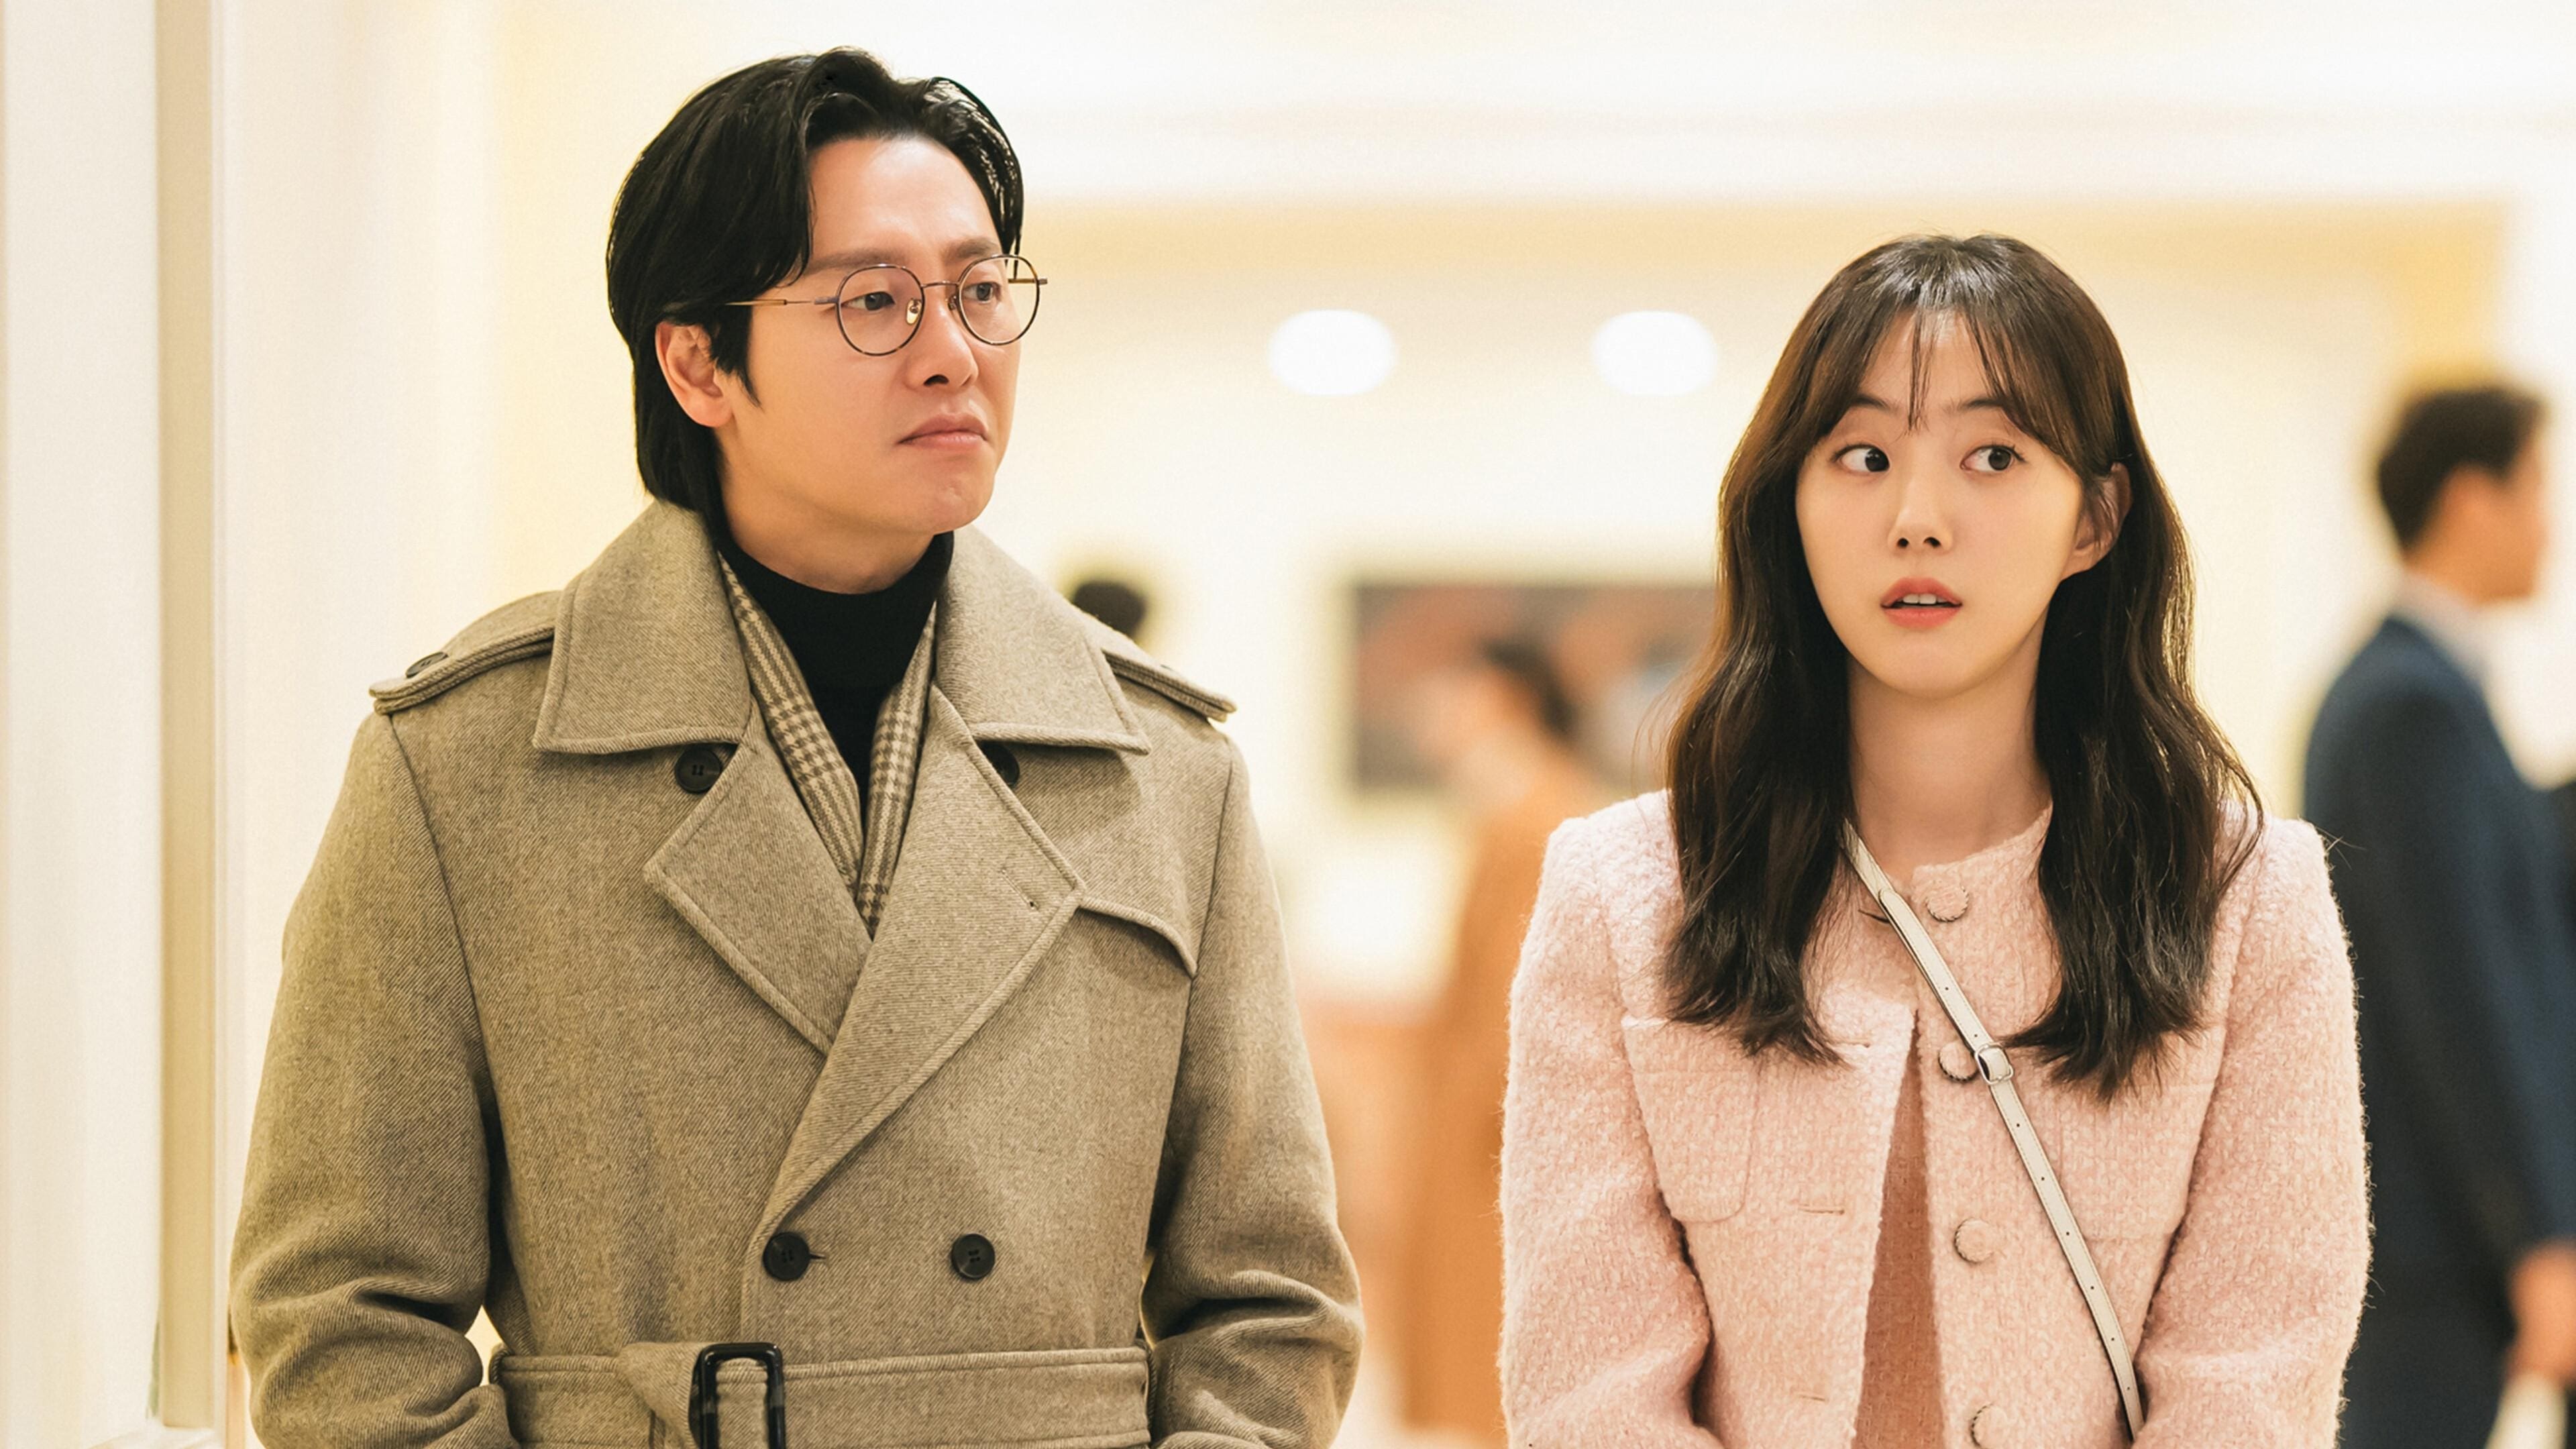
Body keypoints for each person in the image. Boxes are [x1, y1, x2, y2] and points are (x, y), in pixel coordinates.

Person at [229, 50, 1361, 1448]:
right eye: (874, 301)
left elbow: (1271, 1303)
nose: (952, 351)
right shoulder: (468, 766)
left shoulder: (1163, 769)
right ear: (699, 362)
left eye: (981, 291)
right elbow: (340, 1315)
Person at [1501, 234, 2368, 1446]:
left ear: (2096, 519)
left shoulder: (2247, 898)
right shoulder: (1624, 895)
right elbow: (1588, 1390)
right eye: (1861, 457)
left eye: (1993, 457)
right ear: (1789, 504)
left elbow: (2252, 1379)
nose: (1917, 519)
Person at [2304, 385, 2576, 1449]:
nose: (2550, 523)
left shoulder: (2428, 693)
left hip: (2443, 1236)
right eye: (2536, 487)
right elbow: (2464, 995)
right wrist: (2538, 1236)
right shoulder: (2409, 706)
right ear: (2472, 500)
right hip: (2434, 1245)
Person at [1399, 639, 1602, 1445]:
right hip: (1480, 1116)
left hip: (1500, 1131)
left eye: (1458, 689)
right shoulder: (1513, 809)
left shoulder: (1539, 816)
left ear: (1510, 698)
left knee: (1494, 1345)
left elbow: (1518, 1006)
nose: (1436, 708)